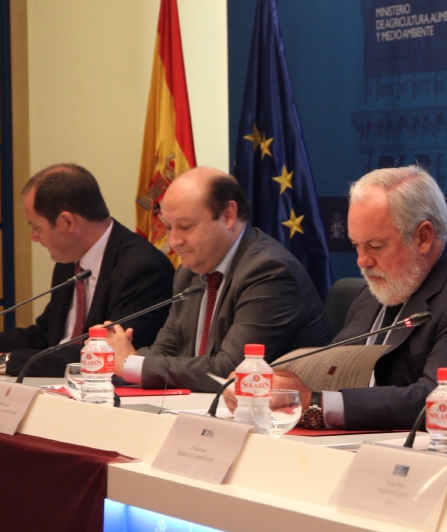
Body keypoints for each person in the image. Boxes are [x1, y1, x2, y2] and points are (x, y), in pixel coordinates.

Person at [229, 165, 447, 430]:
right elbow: (334, 370)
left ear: (423, 237)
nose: (362, 261)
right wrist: (279, 385)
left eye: (376, 246)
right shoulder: (374, 290)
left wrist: (314, 402)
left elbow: (439, 400)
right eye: (356, 245)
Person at [0, 164, 174, 377]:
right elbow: (44, 336)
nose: (33, 238)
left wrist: (5, 362)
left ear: (67, 221)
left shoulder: (143, 269)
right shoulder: (70, 261)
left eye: (36, 227)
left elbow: (107, 353)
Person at [106, 167, 330, 391]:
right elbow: (167, 350)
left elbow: (231, 369)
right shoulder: (190, 272)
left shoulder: (269, 271)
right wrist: (115, 356)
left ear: (228, 215)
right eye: (168, 227)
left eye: (185, 227)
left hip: (276, 409)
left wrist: (130, 364)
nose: (173, 242)